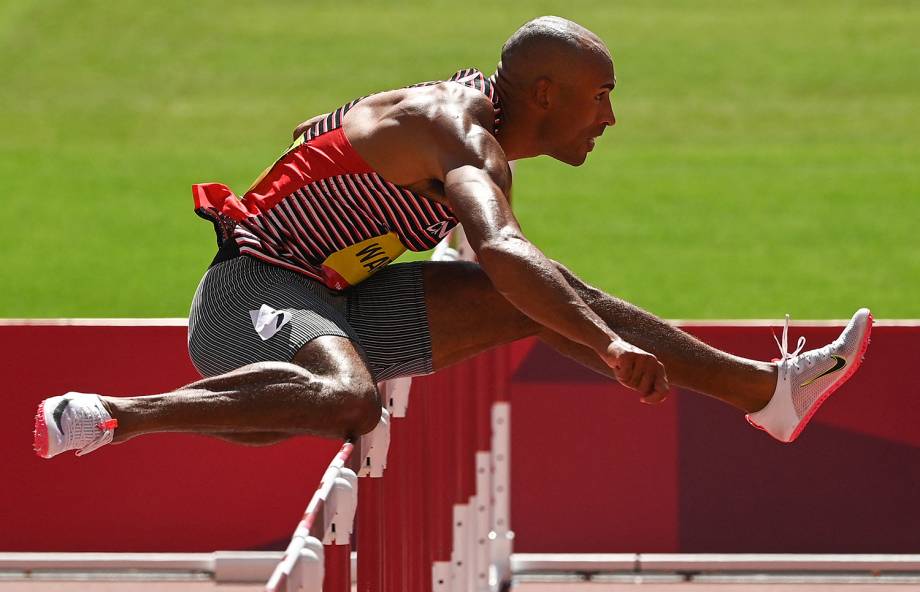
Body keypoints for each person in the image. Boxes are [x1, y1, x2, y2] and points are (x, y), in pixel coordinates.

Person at [34, 16, 871, 459]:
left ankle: (768, 395)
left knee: (543, 298)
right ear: (543, 93)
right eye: (601, 96)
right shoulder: (464, 139)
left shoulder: (457, 114)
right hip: (250, 292)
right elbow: (504, 250)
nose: (611, 118)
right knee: (354, 400)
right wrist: (611, 345)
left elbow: (320, 131)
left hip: (332, 295)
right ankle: (112, 415)